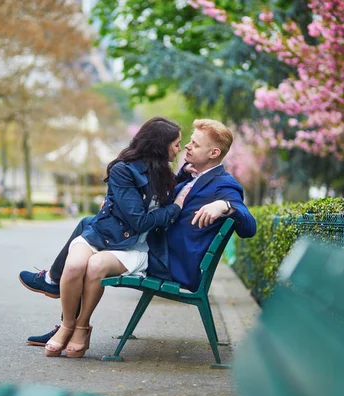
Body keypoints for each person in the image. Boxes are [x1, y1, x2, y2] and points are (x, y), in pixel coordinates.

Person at [20, 118, 257, 349]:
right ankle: (62, 309)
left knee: (92, 236)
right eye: (187, 142)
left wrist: (225, 206)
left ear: (214, 153)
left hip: (166, 259)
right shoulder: (190, 174)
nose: (187, 146)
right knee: (91, 227)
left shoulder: (223, 186)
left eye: (195, 143)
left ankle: (58, 295)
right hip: (153, 244)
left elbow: (249, 226)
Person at [23, 117, 187, 358]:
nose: (179, 148)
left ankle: (80, 327)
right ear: (160, 145)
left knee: (94, 263)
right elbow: (139, 219)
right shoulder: (124, 169)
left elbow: (141, 220)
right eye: (176, 144)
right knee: (76, 264)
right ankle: (66, 324)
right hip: (105, 235)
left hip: (134, 246)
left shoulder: (166, 174)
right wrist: (175, 208)